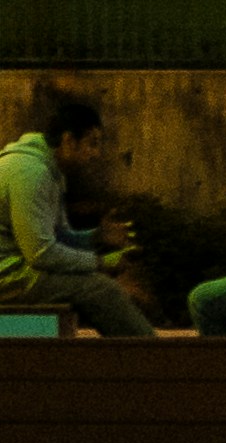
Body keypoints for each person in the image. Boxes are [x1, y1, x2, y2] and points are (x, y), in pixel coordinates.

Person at [1, 92, 153, 335]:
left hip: (16, 270)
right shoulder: (30, 173)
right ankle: (156, 362)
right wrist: (100, 263)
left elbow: (58, 237)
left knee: (97, 285)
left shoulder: (51, 172)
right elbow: (42, 254)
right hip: (6, 274)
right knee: (99, 289)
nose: (96, 153)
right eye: (92, 143)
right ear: (69, 140)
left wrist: (96, 237)